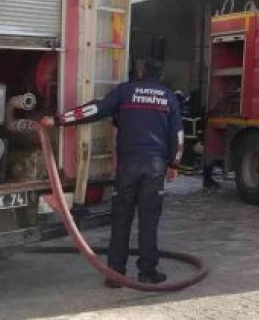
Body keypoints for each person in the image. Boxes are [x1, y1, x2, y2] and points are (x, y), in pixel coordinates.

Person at [43, 58, 183, 287]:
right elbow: (177, 135)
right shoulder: (168, 97)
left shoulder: (125, 91)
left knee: (121, 220)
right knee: (149, 221)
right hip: (155, 167)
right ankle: (148, 273)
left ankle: (115, 274)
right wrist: (174, 165)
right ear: (161, 75)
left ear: (140, 72)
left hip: (127, 166)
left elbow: (93, 109)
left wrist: (57, 120)